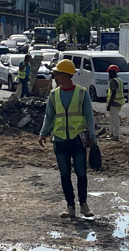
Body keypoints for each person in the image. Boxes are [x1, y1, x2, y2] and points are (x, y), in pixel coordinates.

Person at [38, 59, 97, 219]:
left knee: (81, 173)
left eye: (57, 74)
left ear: (66, 75)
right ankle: (70, 207)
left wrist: (92, 137)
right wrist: (43, 133)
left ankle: (83, 205)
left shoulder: (81, 93)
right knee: (64, 174)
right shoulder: (53, 94)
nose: (55, 77)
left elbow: (89, 116)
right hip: (59, 140)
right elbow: (49, 116)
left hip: (77, 140)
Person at [106, 64, 124, 140]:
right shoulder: (119, 80)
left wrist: (109, 104)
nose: (109, 74)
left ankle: (115, 135)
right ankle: (112, 133)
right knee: (111, 119)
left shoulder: (114, 81)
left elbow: (113, 93)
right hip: (117, 102)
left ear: (114, 72)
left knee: (114, 119)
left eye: (110, 72)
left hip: (114, 102)